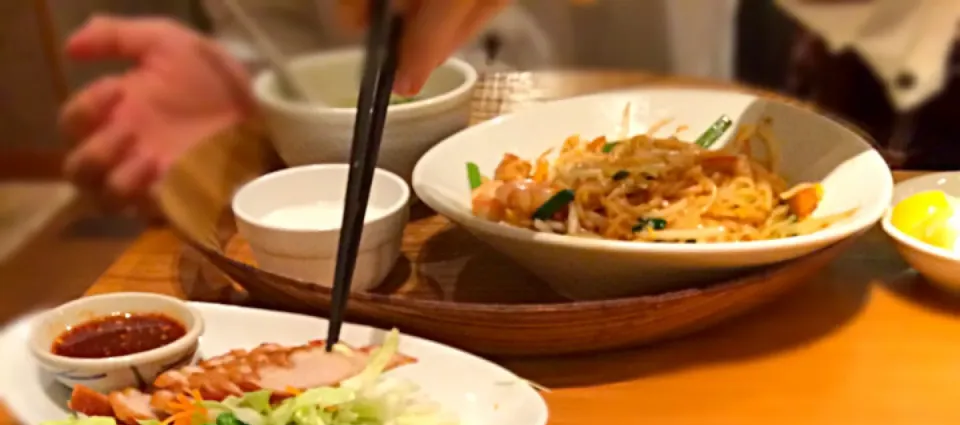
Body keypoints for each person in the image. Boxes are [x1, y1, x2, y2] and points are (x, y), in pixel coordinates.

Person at [61, 0, 960, 204]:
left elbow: (915, 17)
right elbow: (323, 48)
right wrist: (261, 95)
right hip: (395, 277)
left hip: (713, 282)